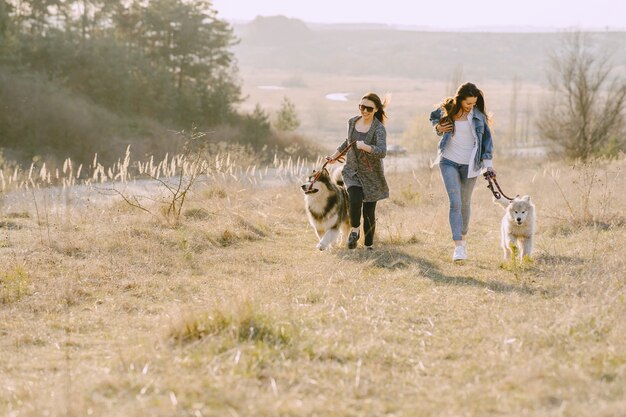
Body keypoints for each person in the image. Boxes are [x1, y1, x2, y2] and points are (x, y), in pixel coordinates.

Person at [429, 82, 495, 261]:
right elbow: (433, 117)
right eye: (468, 103)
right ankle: (458, 247)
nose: (471, 107)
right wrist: (438, 128)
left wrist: (488, 165)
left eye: (473, 103)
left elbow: (487, 142)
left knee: (465, 203)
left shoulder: (478, 117)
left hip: (470, 165)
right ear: (459, 100)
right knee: (455, 203)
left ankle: (463, 240)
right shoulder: (447, 109)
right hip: (448, 161)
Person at [327, 92, 389, 250]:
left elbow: (382, 151)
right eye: (362, 107)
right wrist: (334, 156)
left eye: (369, 108)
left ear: (376, 110)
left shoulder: (379, 129)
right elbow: (347, 142)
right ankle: (354, 230)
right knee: (354, 199)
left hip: (371, 175)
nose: (365, 111)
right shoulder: (352, 122)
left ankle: (368, 246)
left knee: (369, 212)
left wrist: (366, 147)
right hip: (352, 171)